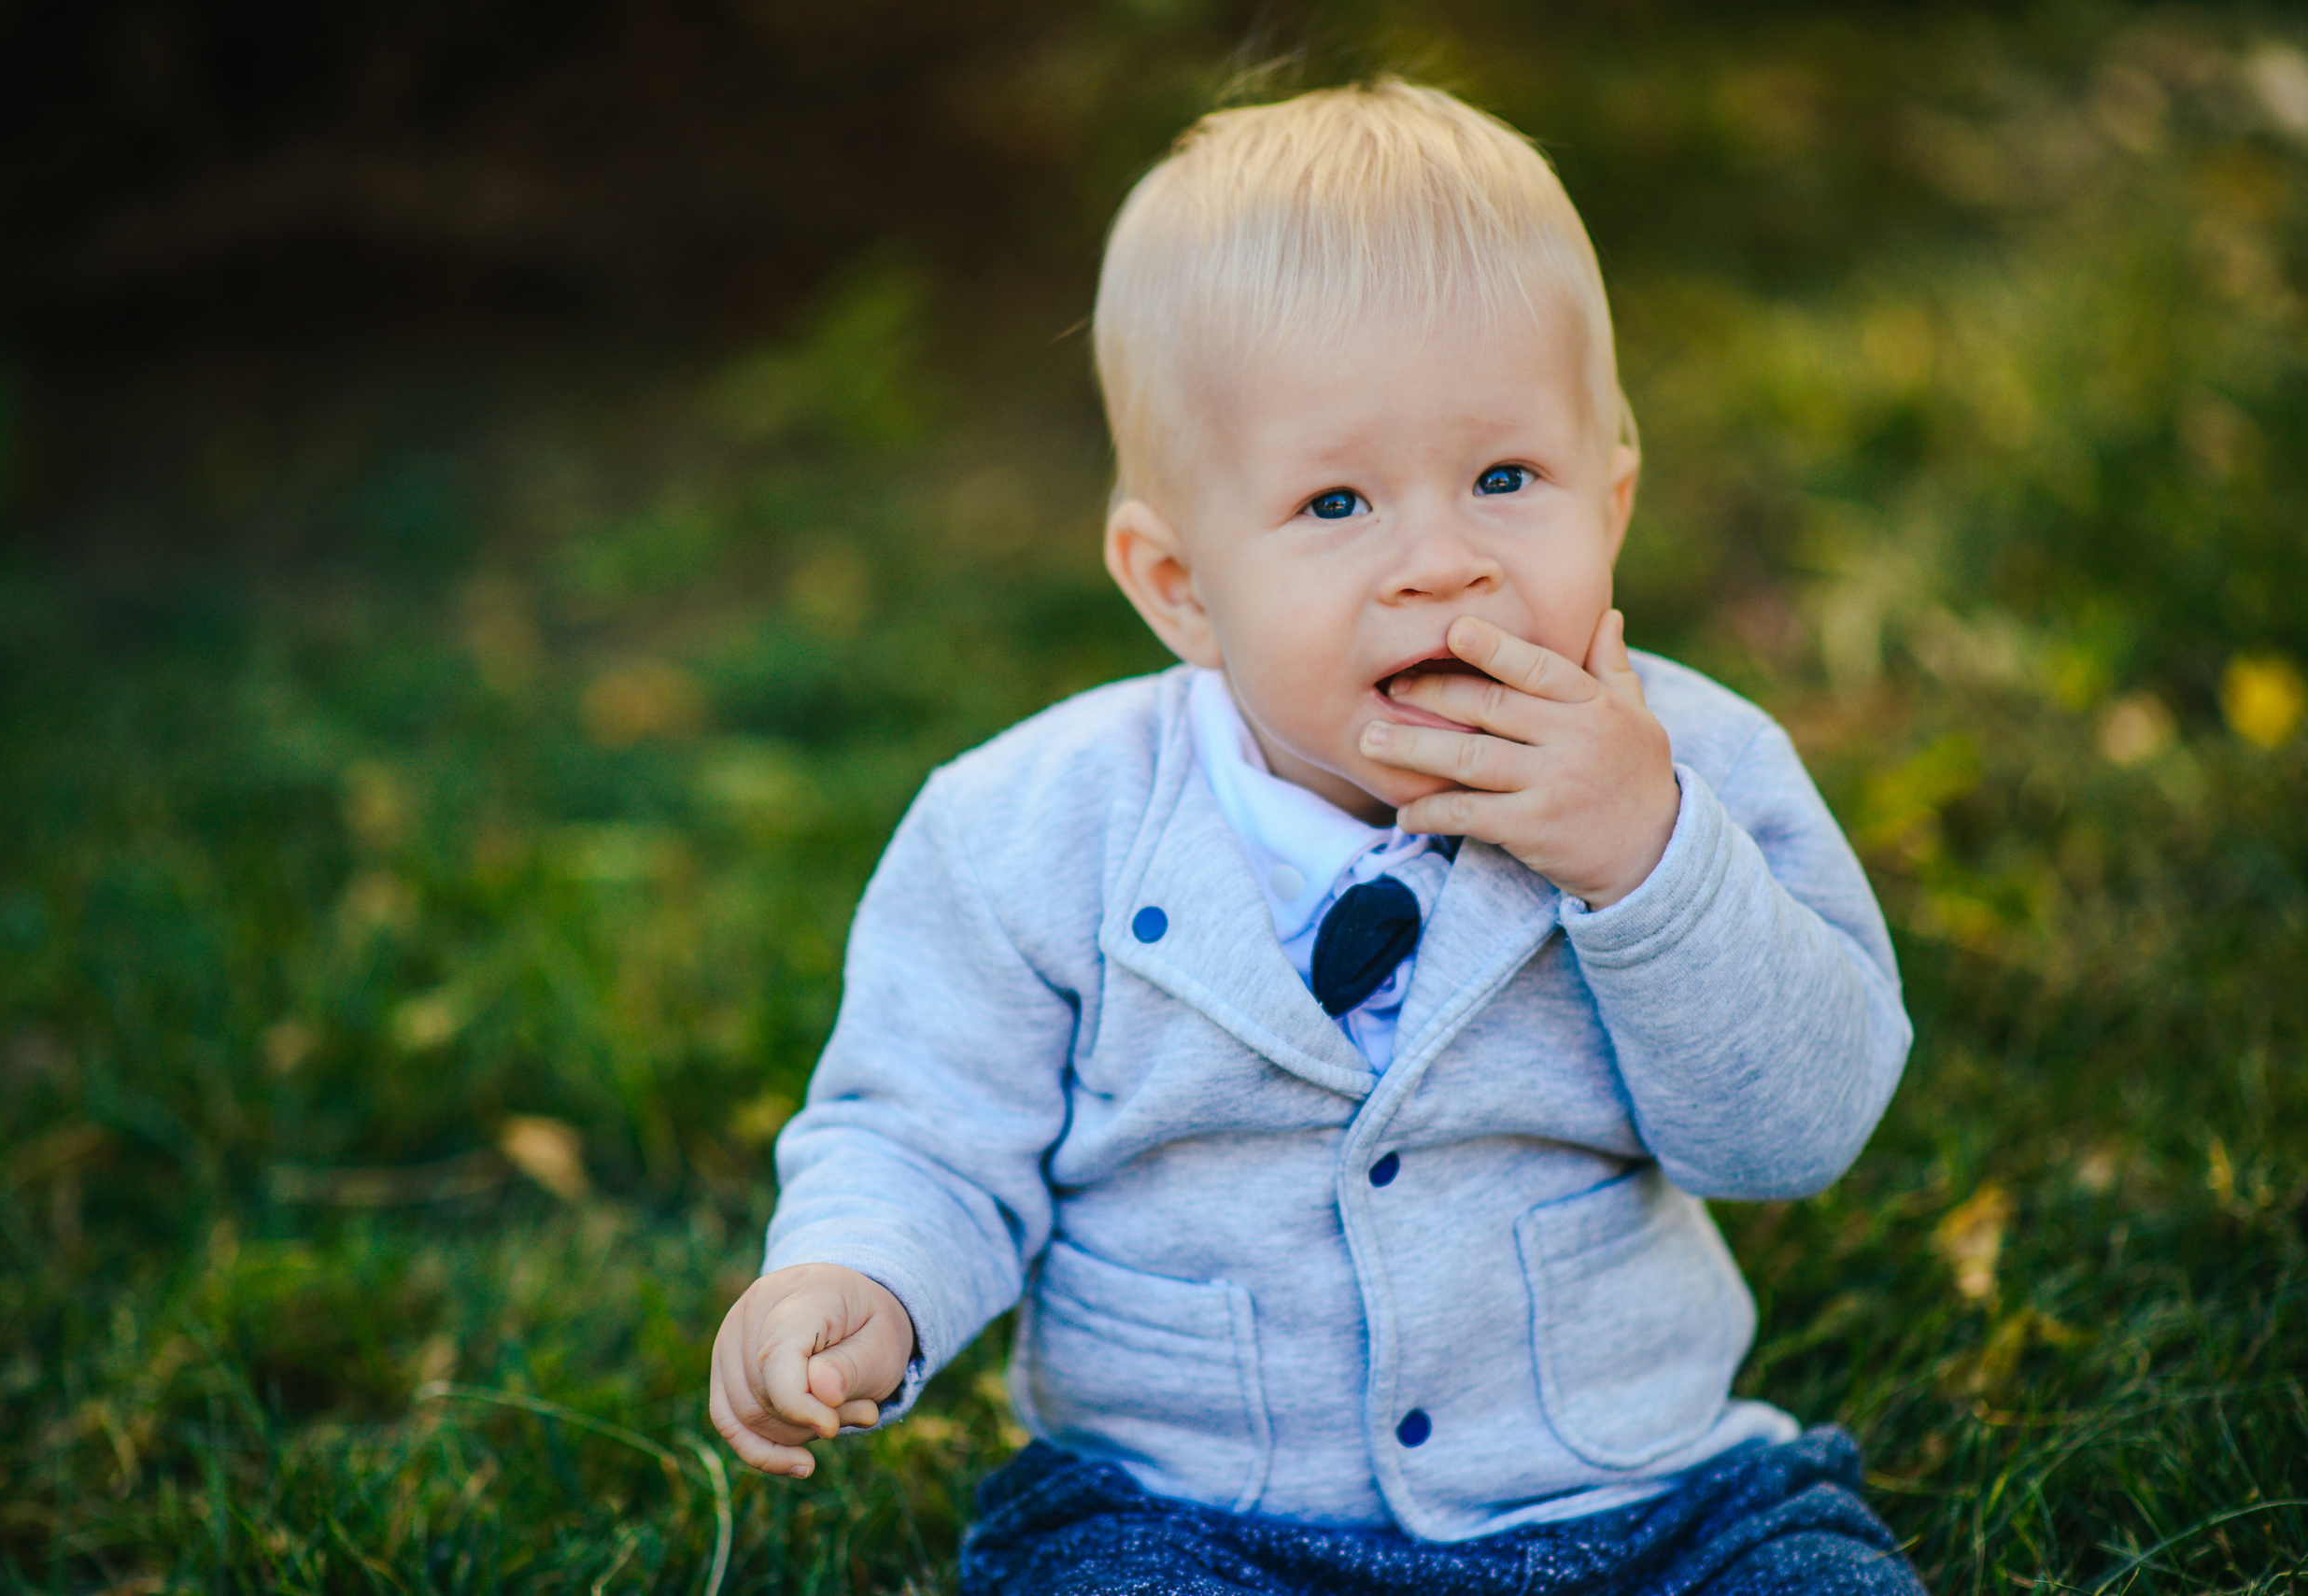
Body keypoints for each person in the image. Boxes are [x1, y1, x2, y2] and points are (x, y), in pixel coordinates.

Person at [708, 79, 1922, 1595]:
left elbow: (1797, 1133)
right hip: (1185, 1510)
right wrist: (855, 1272)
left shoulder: (1695, 772)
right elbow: (928, 1128)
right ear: (1181, 584)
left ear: (1610, 500)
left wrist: (1648, 861)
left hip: (1643, 1492)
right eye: (1338, 500)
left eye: (1504, 478)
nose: (1441, 562)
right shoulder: (1026, 827)